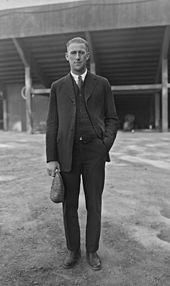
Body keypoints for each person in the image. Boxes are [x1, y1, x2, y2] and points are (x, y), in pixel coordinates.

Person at [46, 37, 119, 271]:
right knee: (69, 205)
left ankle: (92, 251)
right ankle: (73, 250)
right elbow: (52, 124)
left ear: (88, 56)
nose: (77, 57)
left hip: (93, 153)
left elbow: (112, 118)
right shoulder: (57, 87)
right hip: (67, 153)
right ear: (66, 56)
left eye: (81, 53)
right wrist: (51, 157)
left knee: (94, 204)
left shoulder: (102, 83)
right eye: (73, 53)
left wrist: (103, 146)